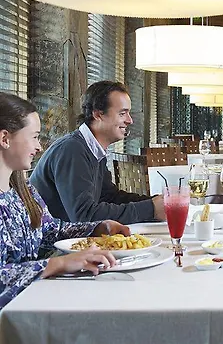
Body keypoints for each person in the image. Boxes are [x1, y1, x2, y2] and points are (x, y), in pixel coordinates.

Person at [0, 92, 129, 309]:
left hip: (33, 303)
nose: (39, 147)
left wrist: (98, 227)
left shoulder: (23, 189)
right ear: (5, 139)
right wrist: (57, 264)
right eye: (34, 137)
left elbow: (50, 231)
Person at [30, 81, 165, 224]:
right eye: (122, 113)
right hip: (48, 238)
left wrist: (156, 202)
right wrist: (150, 209)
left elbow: (108, 197)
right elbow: (84, 216)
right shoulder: (72, 150)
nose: (130, 120)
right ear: (98, 114)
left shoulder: (93, 149)